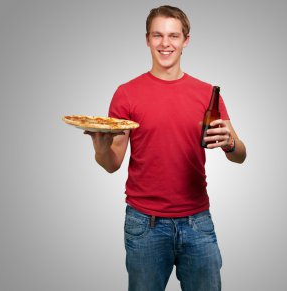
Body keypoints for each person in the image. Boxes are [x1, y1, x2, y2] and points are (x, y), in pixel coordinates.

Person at [84, 5, 246, 291]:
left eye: (173, 36)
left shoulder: (208, 93)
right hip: (145, 223)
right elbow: (112, 163)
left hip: (197, 220)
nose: (165, 43)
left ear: (186, 40)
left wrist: (230, 143)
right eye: (157, 35)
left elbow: (240, 155)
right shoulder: (127, 93)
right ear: (147, 39)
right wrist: (100, 149)